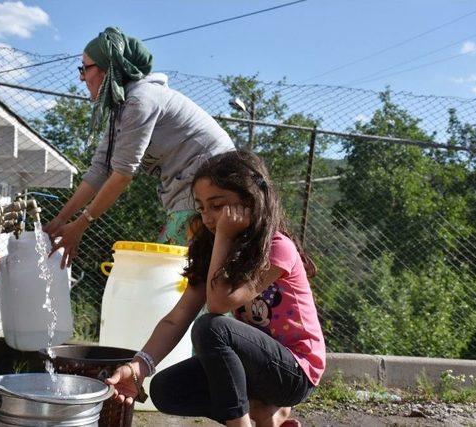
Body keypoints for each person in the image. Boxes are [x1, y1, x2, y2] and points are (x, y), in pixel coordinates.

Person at [105, 150, 326, 427]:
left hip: (294, 372)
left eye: (217, 205)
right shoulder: (213, 250)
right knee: (166, 390)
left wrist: (223, 236)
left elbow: (220, 304)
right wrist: (140, 365)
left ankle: (246, 421)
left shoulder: (277, 247)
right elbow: (178, 316)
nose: (208, 217)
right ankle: (264, 410)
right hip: (250, 369)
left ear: (249, 201)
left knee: (212, 327)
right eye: (201, 208)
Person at [43, 27, 234, 267]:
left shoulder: (140, 100)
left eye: (84, 68)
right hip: (190, 189)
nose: (81, 77)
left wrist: (80, 225)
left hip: (211, 187)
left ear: (106, 70)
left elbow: (122, 174)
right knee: (180, 270)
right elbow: (100, 170)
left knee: (176, 270)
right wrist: (60, 221)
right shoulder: (122, 107)